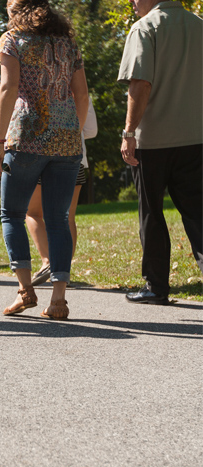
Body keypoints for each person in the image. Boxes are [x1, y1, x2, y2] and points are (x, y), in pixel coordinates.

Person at [0, 0, 89, 320]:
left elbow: (9, 87)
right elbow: (82, 94)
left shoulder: (12, 39)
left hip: (26, 138)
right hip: (67, 141)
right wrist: (72, 131)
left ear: (18, 9)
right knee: (58, 218)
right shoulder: (68, 43)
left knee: (12, 214)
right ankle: (58, 300)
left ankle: (25, 291)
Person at [118, 0, 202, 305]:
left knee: (151, 213)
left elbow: (140, 84)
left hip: (152, 141)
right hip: (195, 136)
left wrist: (129, 132)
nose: (132, 2)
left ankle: (155, 286)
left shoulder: (144, 29)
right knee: (198, 213)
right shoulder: (198, 25)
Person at [28, 98, 97, 286]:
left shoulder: (37, 83)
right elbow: (91, 131)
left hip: (41, 157)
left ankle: (48, 262)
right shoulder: (80, 90)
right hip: (76, 158)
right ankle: (63, 270)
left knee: (32, 213)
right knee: (68, 218)